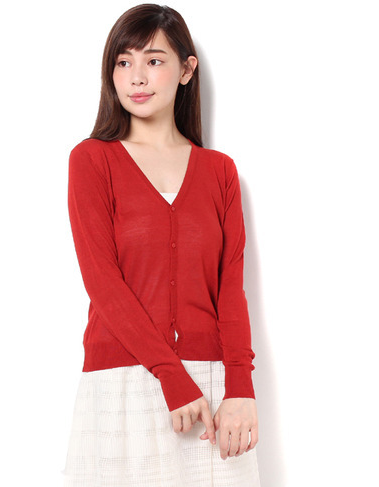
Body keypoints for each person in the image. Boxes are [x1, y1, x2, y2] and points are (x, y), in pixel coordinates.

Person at [61, 4, 261, 486]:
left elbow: (229, 288)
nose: (137, 77)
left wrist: (240, 388)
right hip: (124, 380)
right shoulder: (92, 161)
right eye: (123, 61)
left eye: (153, 60)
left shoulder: (220, 172)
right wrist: (172, 377)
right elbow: (102, 282)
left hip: (213, 388)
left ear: (187, 69)